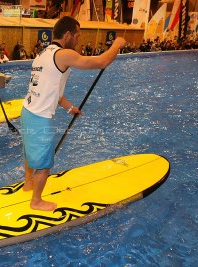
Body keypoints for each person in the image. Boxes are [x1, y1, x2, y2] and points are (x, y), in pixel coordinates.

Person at [21, 16, 125, 211]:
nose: (78, 40)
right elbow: (102, 62)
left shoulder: (42, 55)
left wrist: (70, 108)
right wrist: (117, 44)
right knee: (44, 163)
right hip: (39, 118)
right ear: (67, 35)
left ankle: (28, 183)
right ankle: (36, 201)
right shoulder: (63, 54)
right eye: (77, 36)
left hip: (27, 111)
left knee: (29, 151)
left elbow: (55, 93)